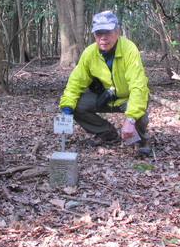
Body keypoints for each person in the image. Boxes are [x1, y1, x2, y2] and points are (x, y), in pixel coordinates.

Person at [59, 10, 152, 156]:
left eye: (107, 32)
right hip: (105, 96)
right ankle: (106, 132)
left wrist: (131, 119)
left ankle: (140, 140)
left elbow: (138, 85)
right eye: (98, 33)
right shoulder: (90, 53)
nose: (103, 38)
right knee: (76, 105)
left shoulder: (129, 49)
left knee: (140, 107)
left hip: (127, 98)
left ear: (117, 32)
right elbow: (75, 82)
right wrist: (66, 108)